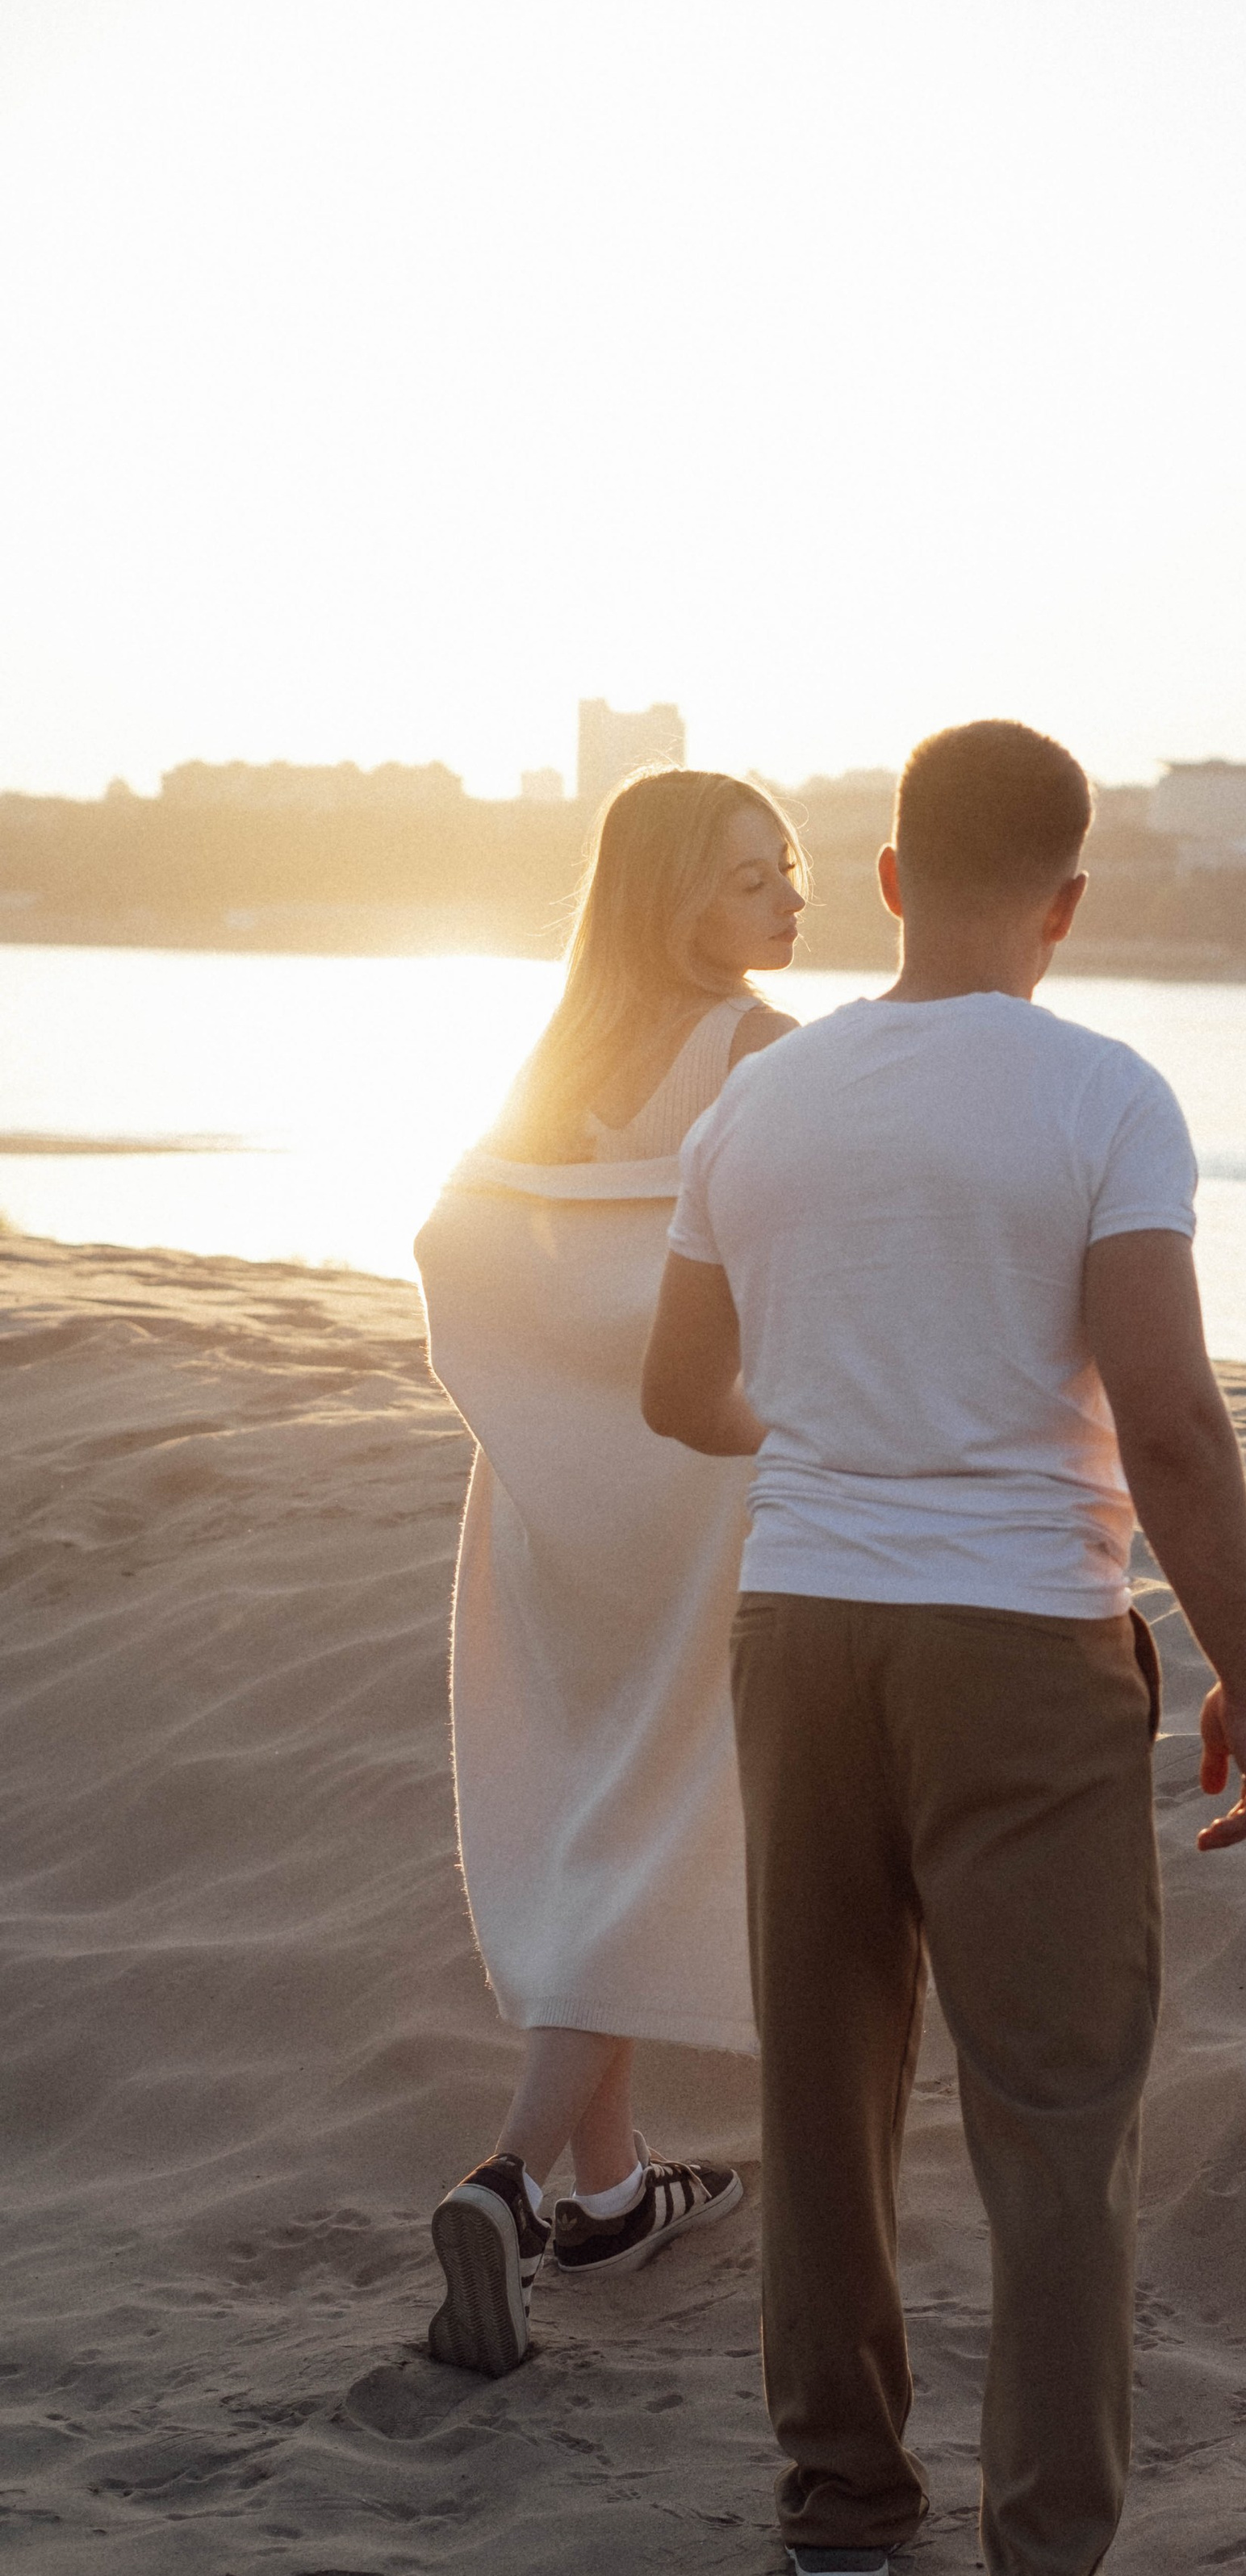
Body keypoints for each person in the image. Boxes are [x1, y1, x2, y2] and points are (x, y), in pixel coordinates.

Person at [642, 719, 1246, 2576]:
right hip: (1020, 1636)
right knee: (1055, 2116)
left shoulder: (765, 1102)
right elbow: (1167, 1419)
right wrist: (1242, 1673)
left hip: (804, 1623)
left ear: (895, 875)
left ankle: (839, 2511)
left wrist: (840, 1420)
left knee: (825, 2071)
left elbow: (681, 1389)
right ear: (1070, 901)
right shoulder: (1102, 1095)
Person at [412, 767, 804, 2378]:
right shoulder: (761, 1052)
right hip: (695, 1494)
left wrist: (552, 1405)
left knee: (594, 1808)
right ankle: (508, 2184)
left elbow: (462, 1257)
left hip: (550, 1495)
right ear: (668, 899)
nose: (787, 902)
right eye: (744, 881)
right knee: (654, 1819)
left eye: (786, 871)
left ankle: (607, 2195)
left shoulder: (545, 1065)